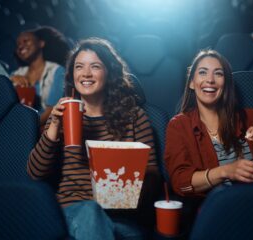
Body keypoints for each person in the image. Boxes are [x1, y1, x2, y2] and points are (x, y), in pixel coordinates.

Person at [27, 37, 161, 239]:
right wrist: (54, 126)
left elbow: (153, 174)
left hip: (120, 217)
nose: (86, 73)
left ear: (109, 72)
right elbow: (34, 174)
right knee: (90, 211)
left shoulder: (134, 116)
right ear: (72, 75)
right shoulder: (60, 117)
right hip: (71, 212)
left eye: (95, 66)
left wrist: (127, 176)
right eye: (79, 67)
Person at [165, 49, 253, 220]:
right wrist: (225, 171)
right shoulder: (179, 126)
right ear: (192, 82)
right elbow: (180, 182)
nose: (210, 79)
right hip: (217, 215)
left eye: (218, 74)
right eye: (202, 72)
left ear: (226, 83)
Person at [10, 26, 70, 126]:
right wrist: (10, 81)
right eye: (18, 44)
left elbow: (51, 111)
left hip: (44, 130)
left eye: (26, 41)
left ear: (41, 43)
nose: (20, 46)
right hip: (17, 127)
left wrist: (28, 129)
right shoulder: (15, 74)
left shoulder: (57, 71)